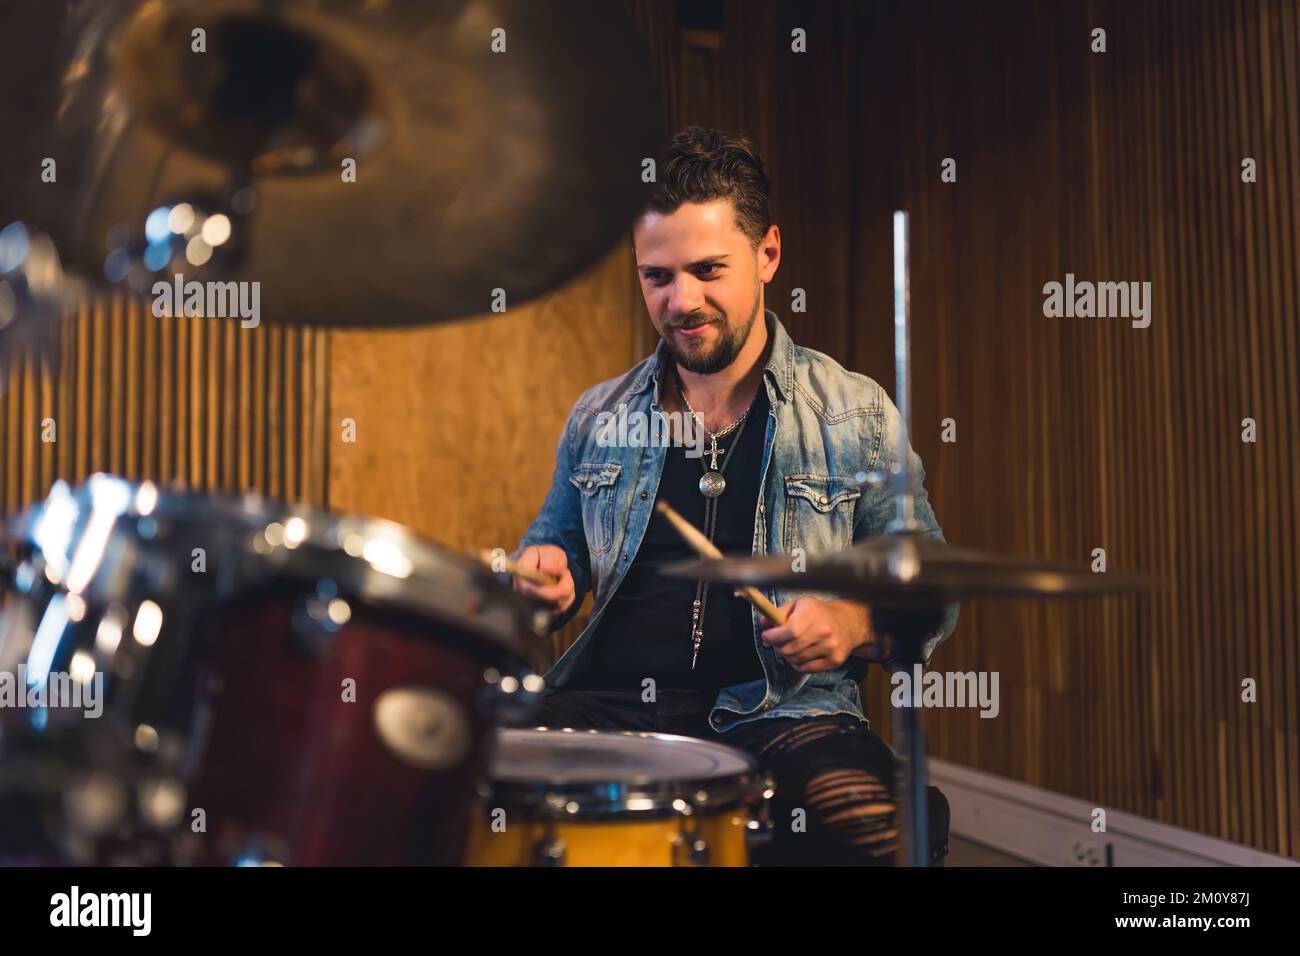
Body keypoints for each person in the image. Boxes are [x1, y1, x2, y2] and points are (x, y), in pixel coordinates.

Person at [508, 126, 958, 865]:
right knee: (450, 767)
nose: (682, 300)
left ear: (768, 254)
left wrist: (855, 620)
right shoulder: (599, 415)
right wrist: (546, 574)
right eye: (657, 275)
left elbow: (933, 585)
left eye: (708, 269)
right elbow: (554, 546)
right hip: (614, 706)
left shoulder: (855, 411)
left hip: (781, 712)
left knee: (881, 829)